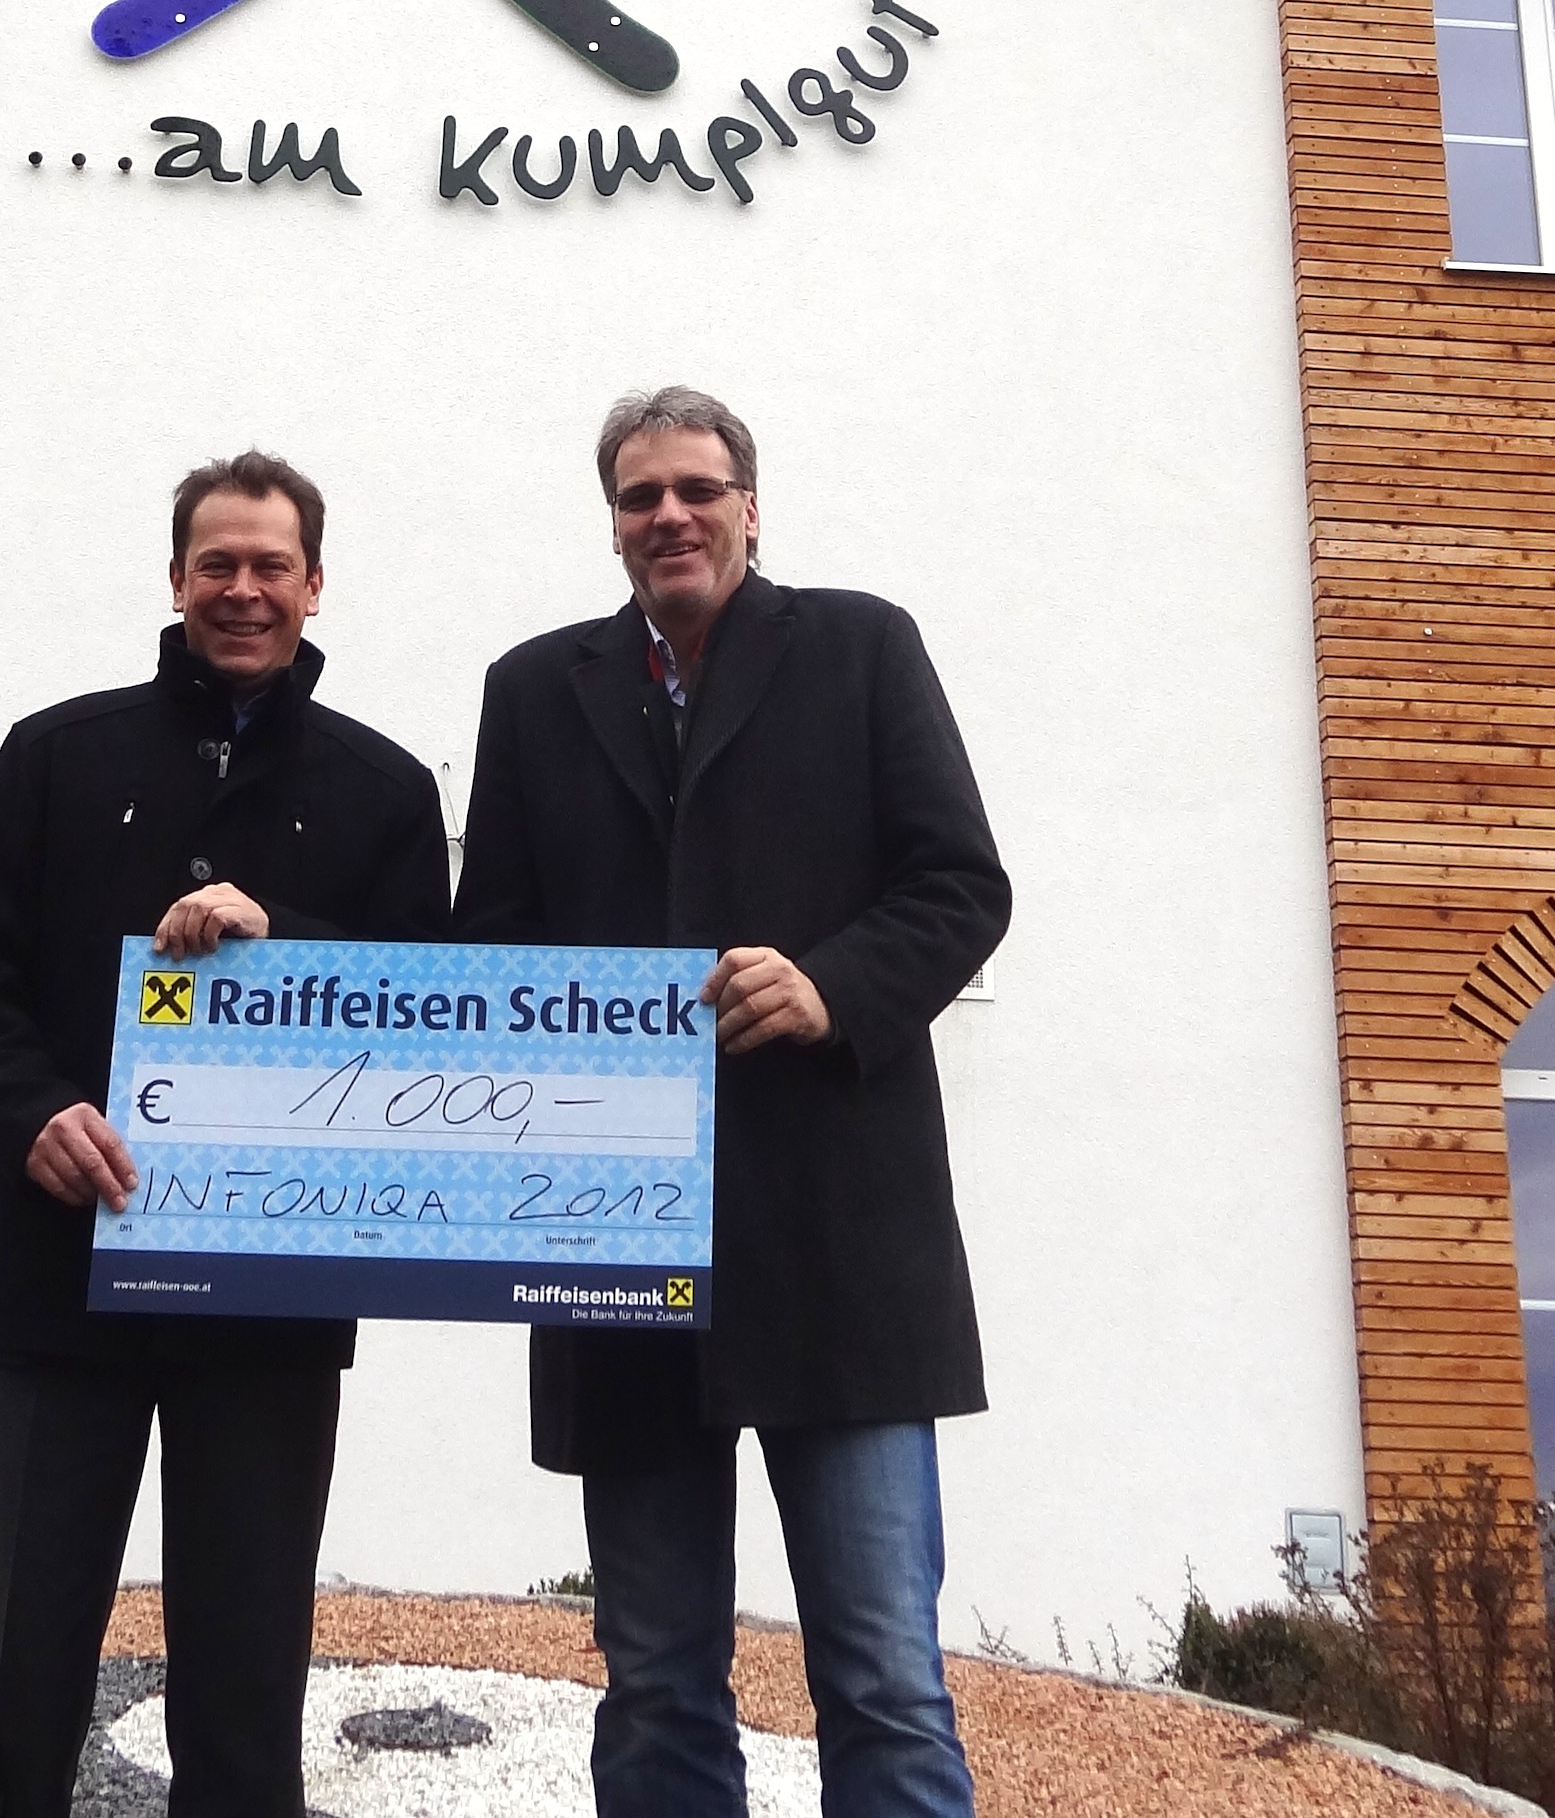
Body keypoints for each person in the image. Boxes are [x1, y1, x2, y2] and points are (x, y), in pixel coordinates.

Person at [453, 387, 1009, 1818]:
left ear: (750, 509)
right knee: (654, 1685)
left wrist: (831, 986)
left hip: (839, 1244)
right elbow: (490, 951)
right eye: (639, 496)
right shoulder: (533, 688)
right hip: (616, 1252)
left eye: (696, 489)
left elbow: (961, 885)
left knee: (884, 1682)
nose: (670, 516)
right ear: (612, 524)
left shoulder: (864, 647)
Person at [0, 450, 450, 1818]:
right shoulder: (54, 754)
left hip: (271, 1297)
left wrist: (290, 938)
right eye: (218, 562)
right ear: (175, 578)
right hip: (55, 1277)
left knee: (245, 1697)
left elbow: (426, 1019)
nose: (243, 589)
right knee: (15, 1682)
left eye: (272, 565)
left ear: (315, 585)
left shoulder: (385, 790)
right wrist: (30, 1113)